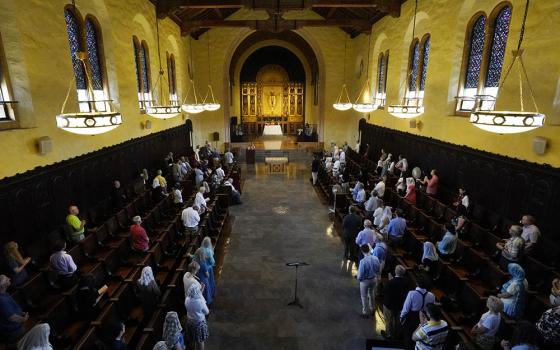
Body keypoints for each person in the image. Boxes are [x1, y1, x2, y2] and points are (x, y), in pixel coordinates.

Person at [401, 275, 436, 350]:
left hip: (412, 318)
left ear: (417, 283)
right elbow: (432, 309)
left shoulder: (412, 293)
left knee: (409, 338)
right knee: (421, 337)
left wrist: (402, 318)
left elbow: (406, 309)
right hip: (426, 318)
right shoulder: (432, 295)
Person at [381, 265, 410, 340]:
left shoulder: (391, 282)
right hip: (400, 305)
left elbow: (384, 291)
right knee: (398, 321)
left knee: (389, 320)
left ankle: (389, 334)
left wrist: (390, 280)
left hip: (389, 305)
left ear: (395, 272)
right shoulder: (407, 281)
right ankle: (397, 335)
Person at [0, 275, 28, 342]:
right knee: (27, 339)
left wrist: (21, 313)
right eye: (6, 279)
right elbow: (12, 317)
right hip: (13, 330)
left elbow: (11, 308)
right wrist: (24, 319)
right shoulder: (2, 300)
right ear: (2, 286)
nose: (9, 278)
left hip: (15, 324)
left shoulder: (4, 293)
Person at [357, 245, 380, 317]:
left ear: (362, 251)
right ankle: (372, 309)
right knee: (371, 294)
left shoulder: (362, 261)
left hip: (365, 281)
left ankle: (365, 311)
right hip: (373, 279)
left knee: (363, 296)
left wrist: (359, 279)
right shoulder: (376, 258)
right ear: (369, 250)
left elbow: (360, 274)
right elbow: (378, 269)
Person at [185, 284, 210, 350]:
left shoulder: (187, 299)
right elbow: (207, 312)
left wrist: (200, 291)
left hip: (190, 322)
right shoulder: (200, 302)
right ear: (197, 291)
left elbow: (195, 296)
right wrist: (201, 295)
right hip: (199, 323)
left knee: (194, 339)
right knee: (201, 341)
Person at [536, 280, 560, 348]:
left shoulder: (550, 312)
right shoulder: (550, 312)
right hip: (541, 335)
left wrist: (553, 284)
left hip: (550, 342)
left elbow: (557, 292)